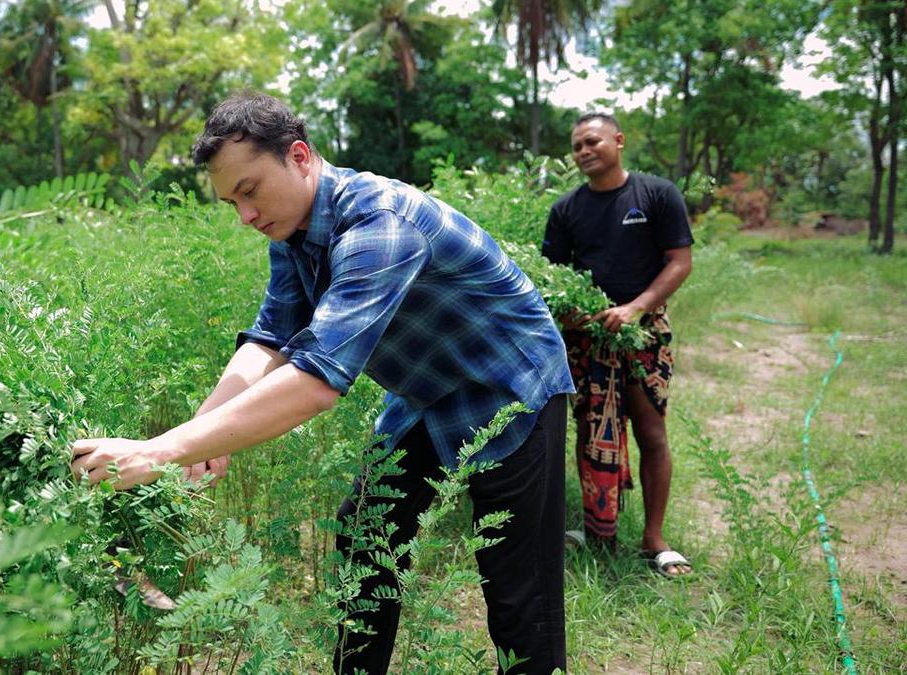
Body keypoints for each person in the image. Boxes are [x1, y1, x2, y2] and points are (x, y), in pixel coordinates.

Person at [71, 92, 574, 674]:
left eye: (251, 190)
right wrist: (198, 434)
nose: (246, 216)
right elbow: (271, 341)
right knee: (364, 534)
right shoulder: (292, 231)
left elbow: (316, 382)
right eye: (232, 202)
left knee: (517, 593)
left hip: (511, 385)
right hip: (426, 391)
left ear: (300, 156)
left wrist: (159, 451)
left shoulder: (381, 223)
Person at [542, 112, 695, 577]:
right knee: (591, 434)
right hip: (589, 340)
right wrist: (572, 313)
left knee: (651, 432)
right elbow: (554, 277)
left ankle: (654, 538)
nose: (584, 151)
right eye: (577, 147)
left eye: (592, 141)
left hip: (644, 333)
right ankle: (597, 529)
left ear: (619, 140)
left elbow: (680, 261)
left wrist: (636, 308)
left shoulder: (657, 194)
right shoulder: (566, 210)